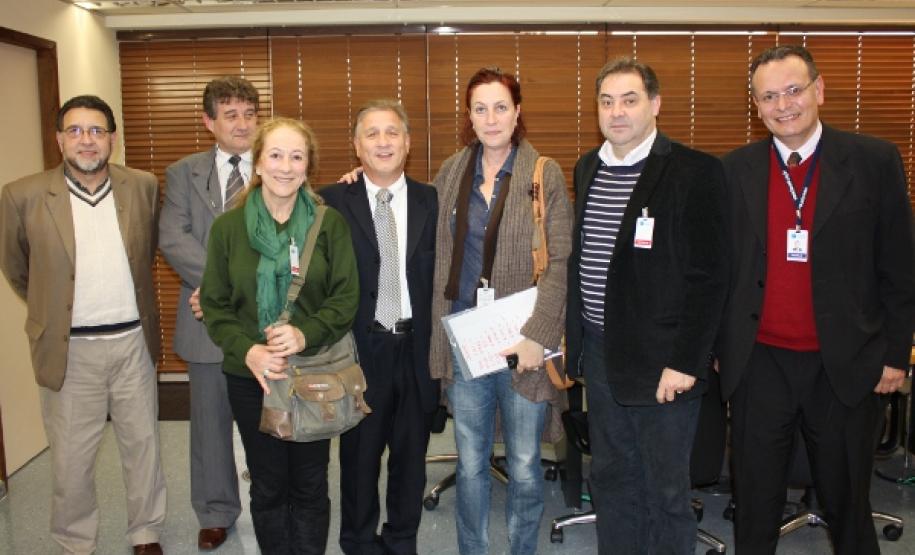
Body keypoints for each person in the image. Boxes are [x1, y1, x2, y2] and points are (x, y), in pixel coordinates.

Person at [717, 44, 915, 554]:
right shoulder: (734, 170)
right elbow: (722, 270)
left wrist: (896, 354)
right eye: (768, 96)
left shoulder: (873, 161)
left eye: (793, 90)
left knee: (848, 502)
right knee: (755, 502)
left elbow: (898, 265)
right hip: (760, 363)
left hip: (844, 364)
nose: (783, 104)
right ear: (755, 106)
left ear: (819, 90)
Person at [564, 57, 728, 554]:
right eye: (607, 101)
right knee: (612, 477)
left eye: (630, 100)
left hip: (665, 363)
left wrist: (686, 361)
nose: (617, 112)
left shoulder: (695, 172)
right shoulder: (588, 165)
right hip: (601, 350)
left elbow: (710, 278)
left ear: (655, 104)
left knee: (665, 488)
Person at [0, 95, 167, 555]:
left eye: (96, 131)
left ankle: (146, 531)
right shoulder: (23, 195)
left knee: (144, 446)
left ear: (112, 138)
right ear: (59, 139)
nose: (86, 140)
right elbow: (18, 269)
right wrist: (54, 308)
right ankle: (75, 541)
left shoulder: (143, 186)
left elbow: (145, 250)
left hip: (132, 340)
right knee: (72, 459)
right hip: (69, 350)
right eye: (75, 131)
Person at [429, 66, 573, 555]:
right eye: (480, 108)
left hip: (522, 346)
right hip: (468, 343)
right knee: (470, 463)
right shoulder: (451, 173)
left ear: (517, 112)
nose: (491, 118)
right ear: (469, 116)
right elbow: (415, 225)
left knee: (527, 462)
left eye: (500, 107)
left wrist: (538, 335)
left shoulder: (542, 174)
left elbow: (559, 262)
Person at [200, 117, 359, 554]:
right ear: (257, 163)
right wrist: (249, 351)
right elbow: (215, 305)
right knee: (268, 484)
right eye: (275, 154)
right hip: (253, 376)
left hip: (313, 373)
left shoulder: (329, 226)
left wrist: (304, 334)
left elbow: (346, 299)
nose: (285, 166)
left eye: (296, 156)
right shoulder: (227, 230)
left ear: (308, 166)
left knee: (309, 483)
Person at [321, 99, 439, 555]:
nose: (383, 141)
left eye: (393, 132)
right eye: (372, 133)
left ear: (408, 143)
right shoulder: (331, 200)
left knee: (411, 456)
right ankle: (357, 541)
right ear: (356, 145)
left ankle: (401, 538)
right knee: (359, 456)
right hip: (359, 348)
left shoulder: (433, 198)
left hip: (416, 346)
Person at [159, 75, 258, 550]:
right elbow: (173, 238)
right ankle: (216, 511)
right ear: (209, 122)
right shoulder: (184, 172)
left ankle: (273, 498)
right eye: (231, 114)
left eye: (249, 114)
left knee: (275, 415)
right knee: (211, 424)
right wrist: (223, 286)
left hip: (269, 321)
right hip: (205, 321)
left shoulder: (279, 164)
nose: (242, 124)